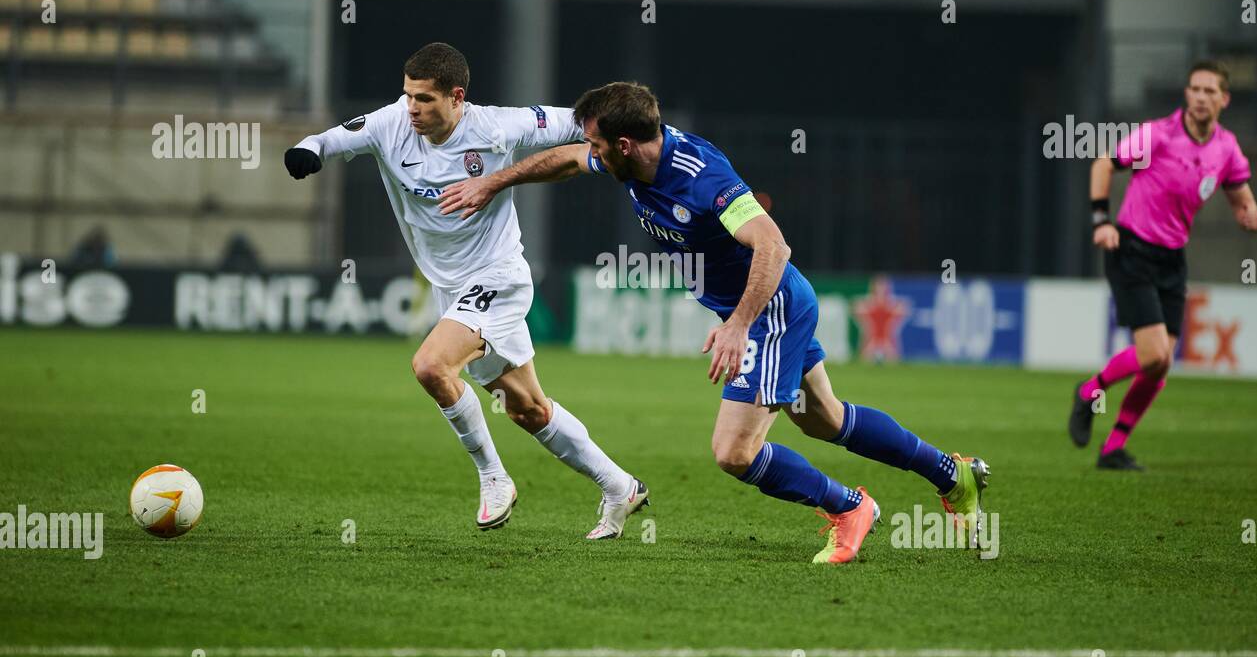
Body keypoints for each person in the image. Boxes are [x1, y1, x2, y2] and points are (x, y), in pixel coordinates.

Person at [440, 81, 990, 564]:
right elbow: (562, 160)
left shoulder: (700, 179)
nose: (592, 153)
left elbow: (773, 244)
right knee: (825, 419)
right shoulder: (632, 158)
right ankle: (950, 473)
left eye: (599, 145)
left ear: (624, 145)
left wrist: (740, 324)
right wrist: (496, 183)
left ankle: (850, 508)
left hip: (770, 308)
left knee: (735, 451)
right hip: (767, 306)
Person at [284, 43, 646, 538]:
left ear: (457, 98)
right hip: (451, 290)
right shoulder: (391, 124)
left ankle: (494, 478)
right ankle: (620, 486)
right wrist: (308, 151)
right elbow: (328, 140)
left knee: (431, 365)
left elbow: (579, 122)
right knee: (529, 409)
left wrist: (646, 136)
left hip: (497, 275)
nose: (412, 108)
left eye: (426, 99)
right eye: (408, 95)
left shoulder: (497, 127)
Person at [1070, 61, 1257, 469]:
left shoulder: (1226, 148)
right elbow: (1102, 165)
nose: (1200, 96)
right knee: (1153, 353)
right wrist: (1101, 221)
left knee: (1161, 366)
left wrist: (1249, 212)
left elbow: (1239, 194)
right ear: (1186, 94)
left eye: (1210, 91)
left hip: (1173, 258)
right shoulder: (1159, 134)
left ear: (1224, 99)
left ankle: (1113, 448)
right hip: (1133, 249)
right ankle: (1090, 392)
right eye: (1194, 88)